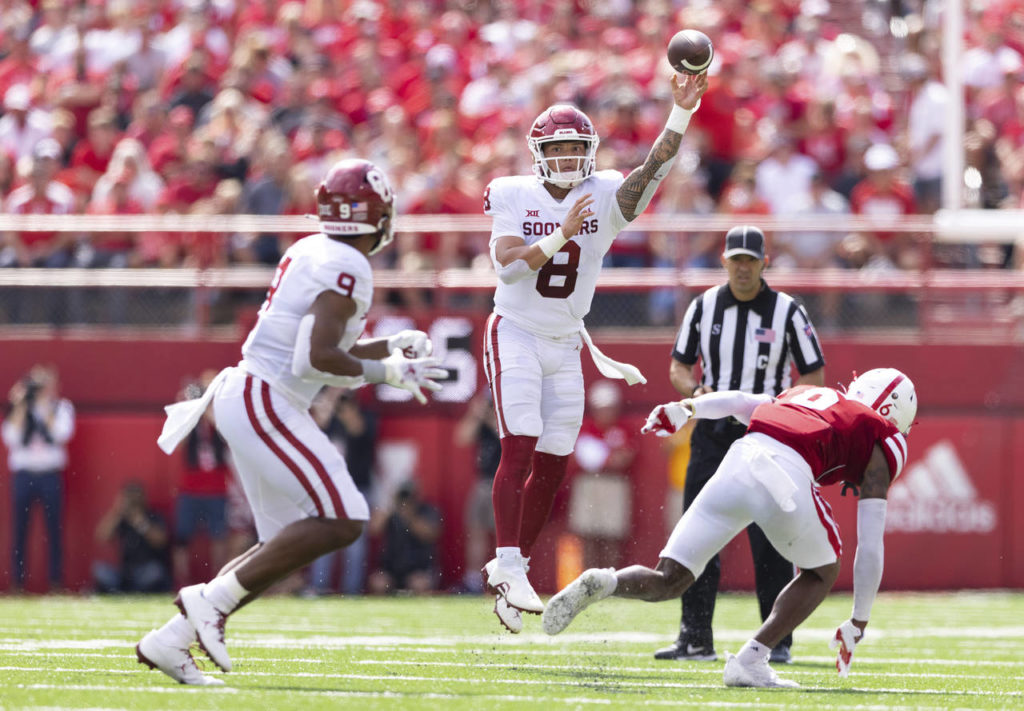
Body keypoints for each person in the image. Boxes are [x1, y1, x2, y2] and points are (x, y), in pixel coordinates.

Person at [136, 158, 446, 686]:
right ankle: (210, 602)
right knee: (345, 516)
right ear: (375, 215)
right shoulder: (349, 265)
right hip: (267, 398)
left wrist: (388, 349)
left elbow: (320, 349)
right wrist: (387, 372)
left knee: (282, 544)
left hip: (253, 393)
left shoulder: (312, 249)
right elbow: (314, 359)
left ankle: (170, 640)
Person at [480, 69, 709, 634]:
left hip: (566, 338)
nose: (565, 158)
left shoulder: (603, 192)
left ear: (590, 151)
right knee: (520, 443)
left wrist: (680, 112)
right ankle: (507, 564)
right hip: (516, 330)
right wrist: (561, 233)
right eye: (556, 149)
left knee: (555, 460)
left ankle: (515, 569)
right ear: (538, 154)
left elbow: (652, 169)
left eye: (574, 148)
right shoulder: (512, 193)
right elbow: (507, 265)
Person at [543, 368, 917, 689]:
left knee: (670, 578)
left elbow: (739, 402)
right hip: (783, 474)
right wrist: (858, 618)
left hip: (739, 459)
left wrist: (685, 408)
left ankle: (607, 581)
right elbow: (870, 543)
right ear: (893, 412)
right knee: (823, 570)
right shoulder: (882, 434)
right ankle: (752, 659)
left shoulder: (804, 393)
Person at [653, 225, 826, 665]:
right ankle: (695, 638)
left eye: (750, 260)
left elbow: (813, 373)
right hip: (712, 434)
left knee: (772, 539)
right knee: (697, 533)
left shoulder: (788, 310)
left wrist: (786, 408)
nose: (743, 268)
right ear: (724, 262)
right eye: (736, 260)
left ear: (764, 262)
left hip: (766, 434)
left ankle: (776, 640)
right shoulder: (704, 305)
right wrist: (696, 393)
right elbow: (678, 366)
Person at [3, 364, 75, 593]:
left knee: (54, 530)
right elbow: (10, 437)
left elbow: (62, 434)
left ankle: (55, 583)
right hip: (23, 475)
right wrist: (20, 404)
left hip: (50, 475)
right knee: (20, 530)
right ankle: (17, 583)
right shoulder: (21, 407)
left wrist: (45, 407)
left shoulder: (61, 407)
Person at [305, 388, 378, 596]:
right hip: (329, 489)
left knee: (355, 543)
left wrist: (345, 411)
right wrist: (328, 406)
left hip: (356, 488)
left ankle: (352, 590)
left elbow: (357, 429)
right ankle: (319, 587)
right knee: (323, 541)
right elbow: (314, 432)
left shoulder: (367, 416)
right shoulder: (330, 420)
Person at [171, 372, 231, 587]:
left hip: (216, 488)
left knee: (219, 535)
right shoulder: (191, 415)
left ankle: (217, 580)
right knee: (182, 536)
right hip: (190, 487)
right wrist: (191, 409)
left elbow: (229, 437)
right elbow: (178, 442)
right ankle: (181, 581)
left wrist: (209, 410)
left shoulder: (222, 412)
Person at [453, 391, 500, 593]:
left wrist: (491, 419)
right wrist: (475, 415)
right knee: (476, 532)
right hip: (483, 482)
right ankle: (472, 579)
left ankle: (504, 578)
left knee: (503, 536)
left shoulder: (508, 417)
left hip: (503, 484)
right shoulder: (480, 422)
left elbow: (506, 438)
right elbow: (462, 438)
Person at [366, 478, 442, 595]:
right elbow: (374, 529)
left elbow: (430, 534)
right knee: (378, 583)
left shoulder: (427, 510)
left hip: (419, 568)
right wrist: (390, 506)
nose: (406, 500)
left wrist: (409, 516)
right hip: (391, 570)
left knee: (419, 584)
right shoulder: (391, 511)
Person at [93, 481, 172, 593]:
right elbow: (102, 536)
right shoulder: (122, 518)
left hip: (146, 570)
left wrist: (140, 522)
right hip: (125, 572)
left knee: (155, 572)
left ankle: (127, 591)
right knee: (99, 569)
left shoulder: (153, 515)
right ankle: (122, 590)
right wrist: (117, 511)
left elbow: (161, 541)